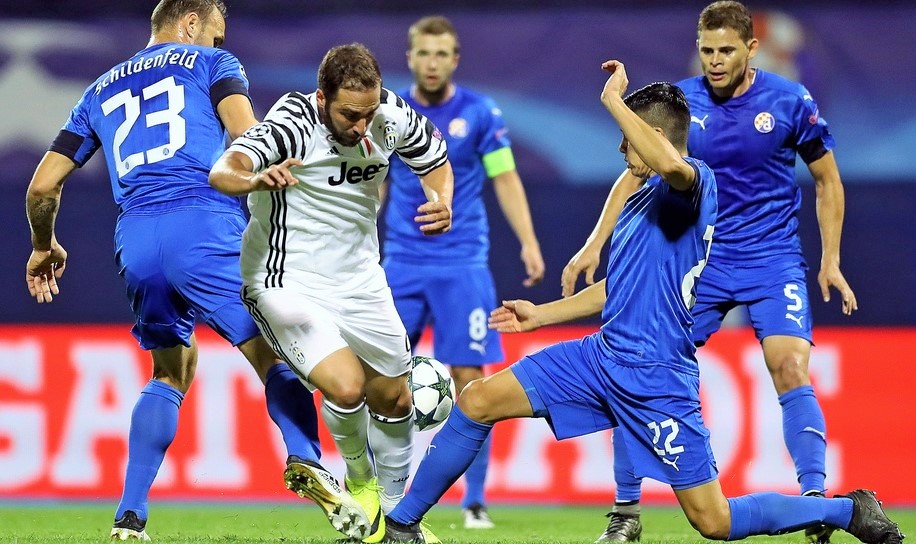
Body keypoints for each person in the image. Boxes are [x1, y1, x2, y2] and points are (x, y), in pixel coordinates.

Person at [378, 60, 904, 544]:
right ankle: (402, 524)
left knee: (714, 521)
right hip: (600, 358)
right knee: (477, 400)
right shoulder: (639, 202)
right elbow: (615, 287)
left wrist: (614, 103)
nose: (619, 152)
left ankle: (845, 511)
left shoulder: (697, 186)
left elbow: (673, 167)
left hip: (658, 378)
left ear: (651, 136)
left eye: (627, 139)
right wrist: (542, 315)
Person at [21, 1, 352, 541]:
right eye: (216, 34)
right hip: (203, 224)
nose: (219, 45)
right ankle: (307, 460)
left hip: (136, 243)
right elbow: (249, 136)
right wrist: (270, 172)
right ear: (192, 23)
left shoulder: (98, 90)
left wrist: (43, 245)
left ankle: (129, 518)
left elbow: (41, 186)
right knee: (276, 351)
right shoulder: (213, 66)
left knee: (169, 372)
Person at [561, 3, 858, 542]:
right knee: (638, 362)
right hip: (701, 260)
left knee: (790, 366)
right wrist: (593, 243)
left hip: (772, 258)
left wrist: (831, 259)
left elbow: (828, 180)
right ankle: (625, 513)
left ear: (751, 49)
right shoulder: (680, 103)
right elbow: (636, 172)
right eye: (707, 50)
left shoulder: (791, 101)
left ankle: (815, 501)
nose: (715, 61)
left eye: (726, 50)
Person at [208, 43, 453, 544]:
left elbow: (436, 161)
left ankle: (393, 516)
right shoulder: (292, 122)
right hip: (284, 280)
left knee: (395, 397)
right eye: (349, 114)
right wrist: (256, 177)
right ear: (322, 98)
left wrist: (441, 199)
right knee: (346, 387)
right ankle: (360, 486)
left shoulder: (389, 115)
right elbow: (222, 171)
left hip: (361, 280)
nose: (362, 126)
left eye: (368, 113)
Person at [381, 15, 545, 530]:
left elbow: (505, 178)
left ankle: (473, 499)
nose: (432, 62)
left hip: (462, 263)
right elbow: (375, 184)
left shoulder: (479, 113)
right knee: (381, 376)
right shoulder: (388, 112)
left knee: (472, 380)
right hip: (401, 262)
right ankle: (383, 489)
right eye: (423, 53)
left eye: (442, 53)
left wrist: (529, 241)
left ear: (455, 59)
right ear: (410, 58)